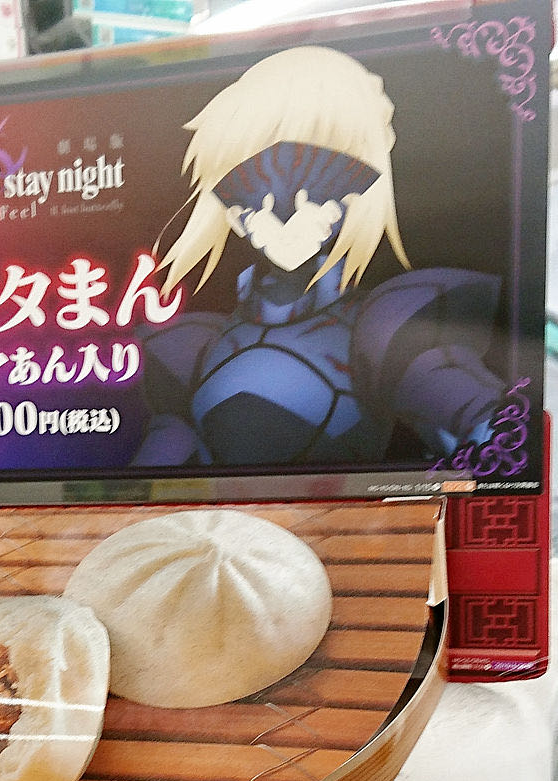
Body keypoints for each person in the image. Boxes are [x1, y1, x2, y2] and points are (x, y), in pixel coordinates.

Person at [134, 45, 505, 469]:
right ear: (237, 216)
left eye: (317, 196)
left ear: (344, 203)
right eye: (264, 201)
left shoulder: (381, 329)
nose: (293, 217)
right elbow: (150, 482)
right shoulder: (194, 347)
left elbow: (496, 448)